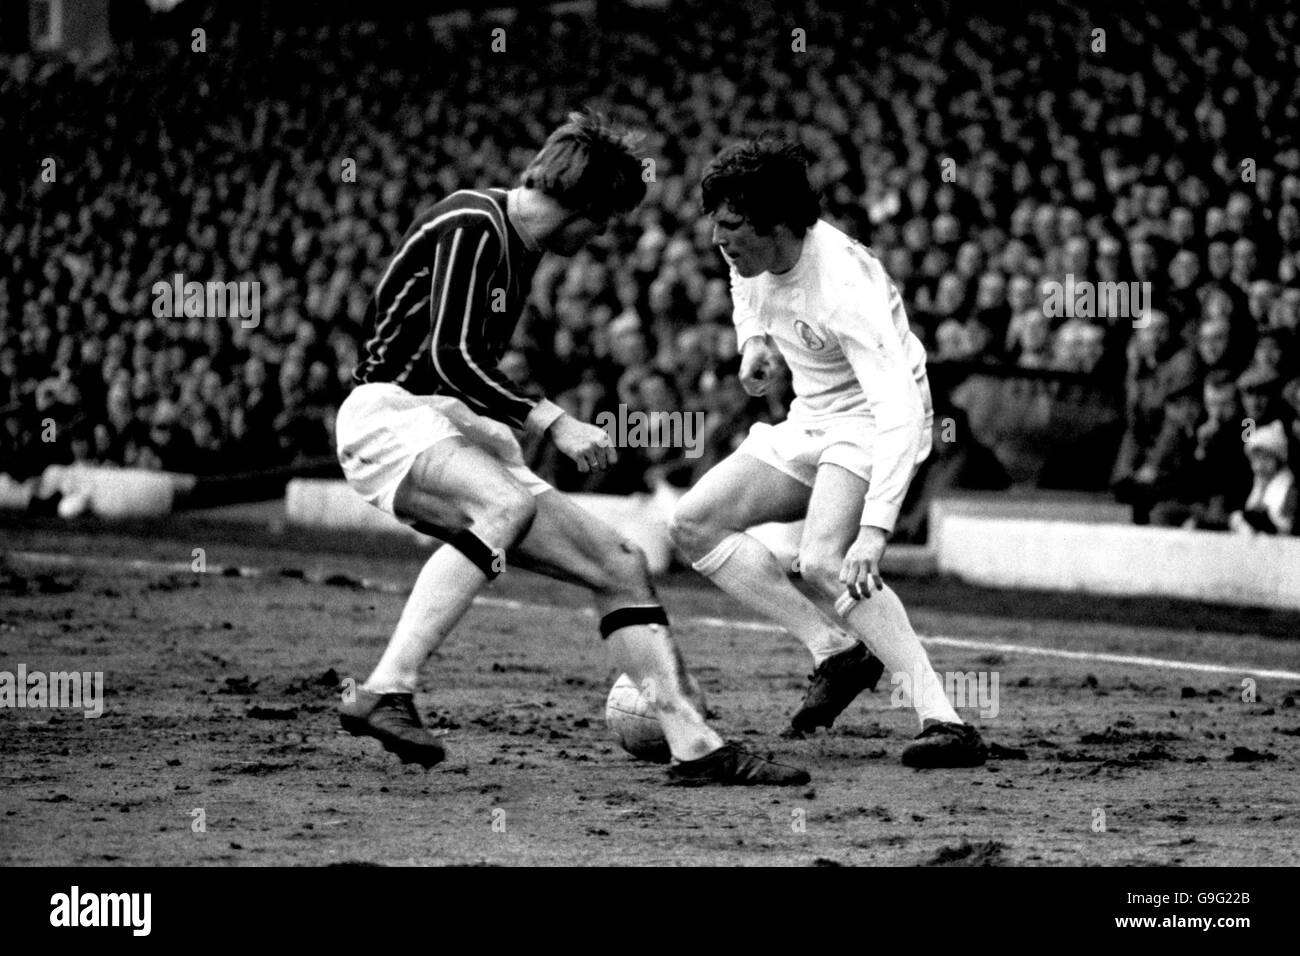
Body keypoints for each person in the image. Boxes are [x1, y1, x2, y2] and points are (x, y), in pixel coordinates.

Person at [334, 113, 807, 786]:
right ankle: (389, 686)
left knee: (619, 562)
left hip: (443, 423)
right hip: (391, 415)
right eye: (604, 219)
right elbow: (448, 357)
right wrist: (552, 421)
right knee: (502, 505)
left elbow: (462, 368)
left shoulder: (514, 248)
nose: (601, 236)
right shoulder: (474, 220)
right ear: (581, 204)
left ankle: (694, 744)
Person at [671, 137, 988, 768]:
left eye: (731, 228)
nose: (719, 242)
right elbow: (744, 290)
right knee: (692, 524)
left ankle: (946, 722)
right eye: (716, 226)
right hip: (812, 416)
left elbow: (898, 408)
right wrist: (753, 342)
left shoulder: (844, 285)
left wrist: (875, 529)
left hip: (876, 419)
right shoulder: (750, 257)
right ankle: (834, 650)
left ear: (779, 225)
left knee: (824, 561)